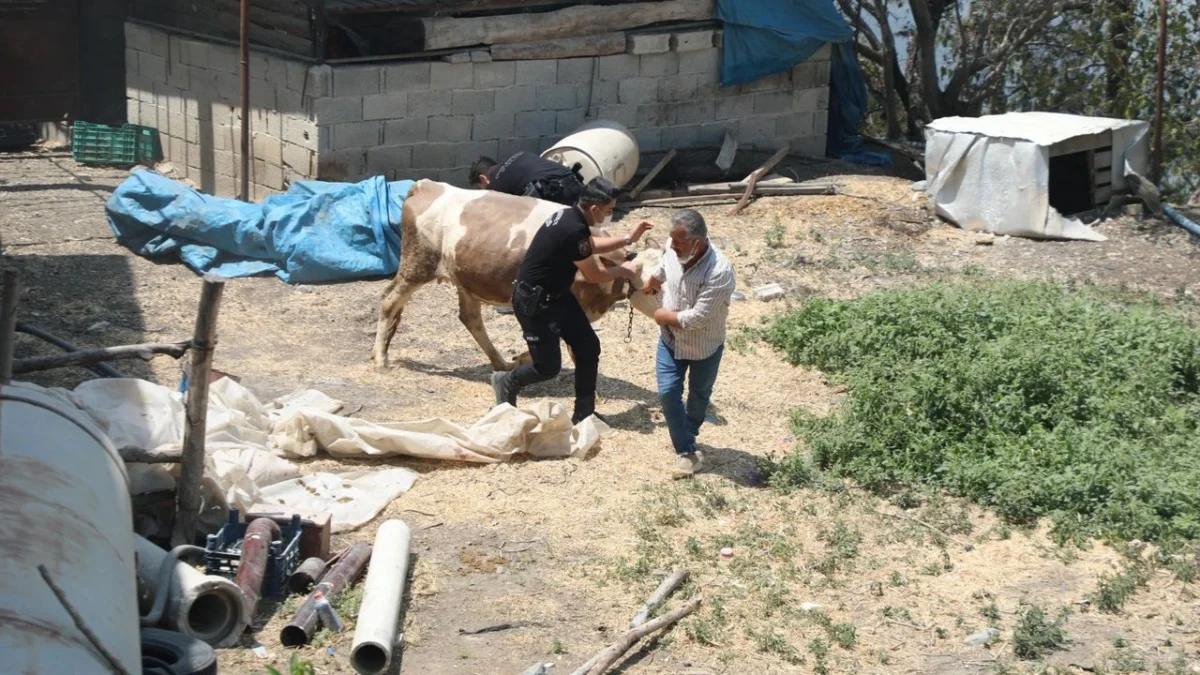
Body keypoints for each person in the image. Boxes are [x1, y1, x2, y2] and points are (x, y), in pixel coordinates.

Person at [492, 177, 652, 424]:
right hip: (535, 302)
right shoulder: (572, 228)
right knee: (547, 367)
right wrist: (624, 270)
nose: (610, 214)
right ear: (594, 209)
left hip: (558, 296)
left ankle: (584, 415)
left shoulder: (571, 216)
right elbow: (594, 275)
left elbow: (588, 245)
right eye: (609, 210)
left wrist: (627, 239)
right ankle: (506, 380)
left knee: (588, 347)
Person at [642, 209, 736, 478]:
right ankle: (685, 450)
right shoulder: (674, 248)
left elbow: (698, 318)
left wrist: (663, 316)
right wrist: (655, 277)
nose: (672, 245)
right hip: (670, 340)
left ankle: (689, 433)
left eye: (679, 241)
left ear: (698, 242)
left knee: (699, 396)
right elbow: (665, 265)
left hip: (704, 344)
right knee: (667, 392)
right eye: (671, 239)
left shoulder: (720, 271)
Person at [469, 152, 585, 206]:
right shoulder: (520, 155)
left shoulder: (495, 184)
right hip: (578, 186)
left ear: (483, 179)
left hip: (558, 198)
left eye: (481, 188)